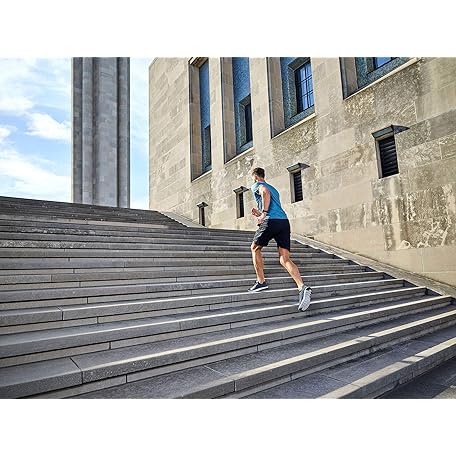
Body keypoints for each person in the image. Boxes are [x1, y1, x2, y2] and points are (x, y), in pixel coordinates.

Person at [248, 167, 312, 312]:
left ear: (256, 177)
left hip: (271, 221)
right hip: (283, 222)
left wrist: (263, 214)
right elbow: (272, 203)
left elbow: (264, 192)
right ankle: (302, 287)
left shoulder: (257, 185)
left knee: (255, 248)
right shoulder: (274, 189)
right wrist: (259, 213)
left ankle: (261, 282)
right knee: (284, 259)